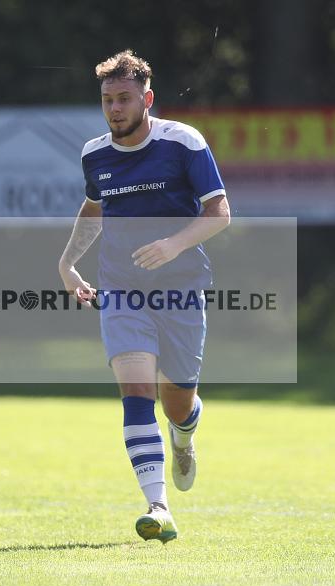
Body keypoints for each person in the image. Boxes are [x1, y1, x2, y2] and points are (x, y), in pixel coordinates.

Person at [58, 49, 230, 543]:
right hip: (120, 290)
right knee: (136, 392)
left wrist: (174, 244)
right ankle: (158, 506)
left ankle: (186, 432)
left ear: (146, 99)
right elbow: (94, 209)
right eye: (108, 99)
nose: (114, 108)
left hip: (181, 292)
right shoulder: (95, 153)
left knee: (177, 401)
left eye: (124, 99)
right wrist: (67, 264)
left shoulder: (183, 142)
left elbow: (219, 212)